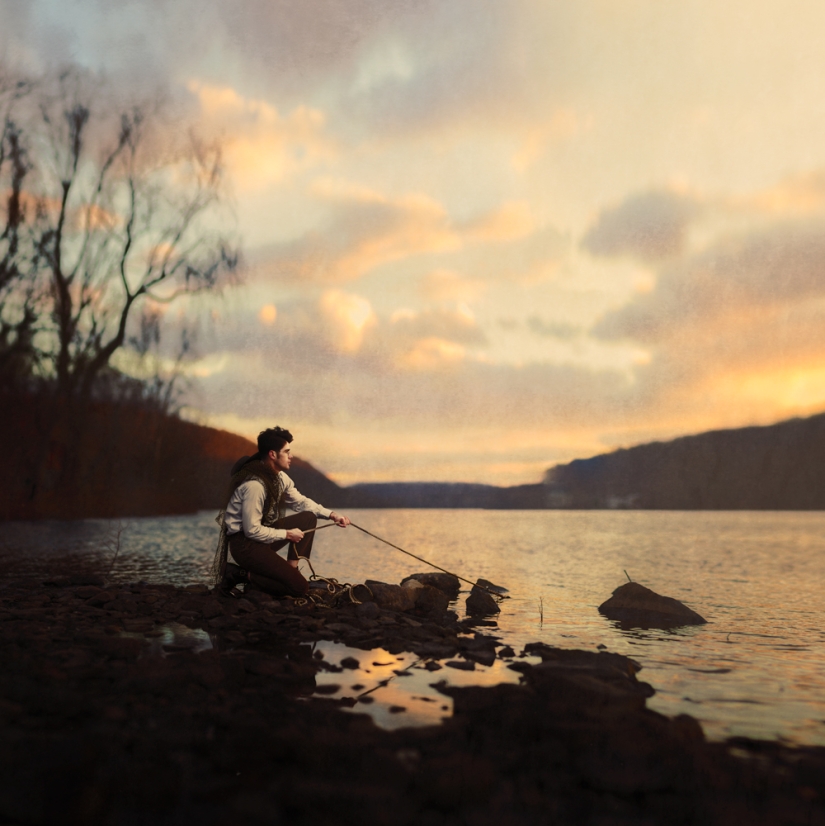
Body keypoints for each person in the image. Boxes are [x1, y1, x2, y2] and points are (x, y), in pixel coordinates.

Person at [212, 426, 350, 597]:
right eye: (287, 452)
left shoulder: (280, 477)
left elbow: (300, 502)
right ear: (272, 454)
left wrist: (332, 515)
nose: (291, 456)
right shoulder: (254, 486)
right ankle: (239, 574)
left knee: (307, 518)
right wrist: (287, 534)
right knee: (300, 588)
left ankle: (291, 572)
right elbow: (252, 531)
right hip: (245, 546)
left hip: (261, 539)